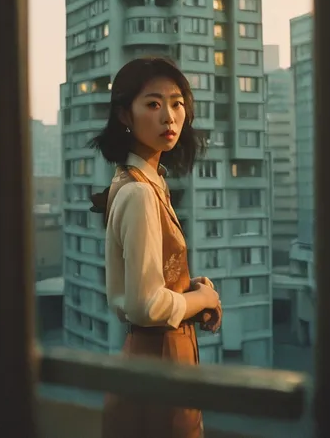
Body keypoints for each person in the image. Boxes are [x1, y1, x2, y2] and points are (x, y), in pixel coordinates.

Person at [89, 56, 222, 438]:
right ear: (124, 115)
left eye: (177, 102)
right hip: (160, 355)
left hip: (158, 353)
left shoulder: (141, 182)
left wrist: (189, 288)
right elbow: (148, 306)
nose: (169, 116)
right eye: (153, 103)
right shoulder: (140, 193)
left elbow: (149, 284)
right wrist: (206, 300)